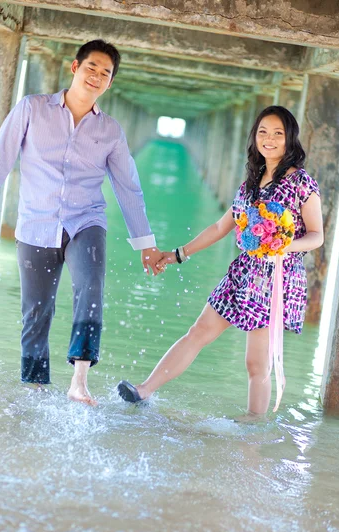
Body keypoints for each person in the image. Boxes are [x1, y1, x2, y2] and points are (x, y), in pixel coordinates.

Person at [0, 39, 163, 406]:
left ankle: (79, 381)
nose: (96, 77)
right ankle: (34, 386)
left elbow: (129, 187)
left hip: (87, 221)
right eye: (91, 68)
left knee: (91, 290)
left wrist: (145, 243)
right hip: (36, 223)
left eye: (105, 73)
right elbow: (0, 156)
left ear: (110, 83)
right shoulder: (32, 108)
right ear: (74, 68)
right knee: (36, 309)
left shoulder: (110, 131)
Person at [117, 106, 324, 415]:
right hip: (242, 273)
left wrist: (284, 245)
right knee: (198, 332)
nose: (269, 139)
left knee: (256, 363)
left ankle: (253, 429)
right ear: (254, 137)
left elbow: (317, 235)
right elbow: (218, 228)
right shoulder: (249, 185)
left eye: (278, 133)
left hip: (276, 279)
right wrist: (177, 255)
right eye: (263, 132)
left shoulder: (301, 183)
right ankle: (144, 390)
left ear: (289, 139)